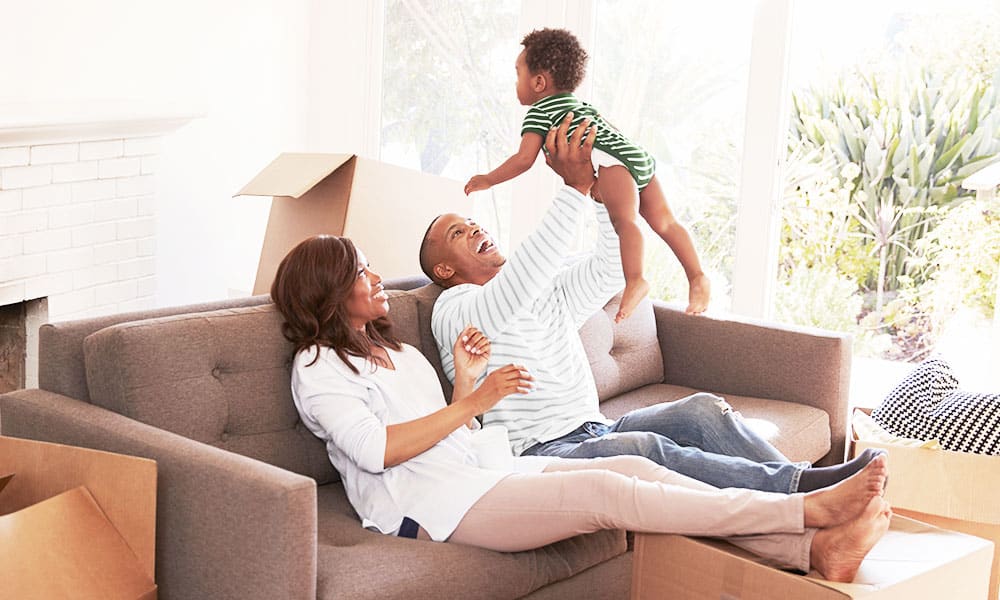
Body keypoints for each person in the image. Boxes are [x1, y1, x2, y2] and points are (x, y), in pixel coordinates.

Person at [270, 233, 891, 583]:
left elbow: (451, 432)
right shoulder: (318, 368)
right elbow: (379, 450)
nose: (375, 275)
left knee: (639, 472)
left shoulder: (399, 352)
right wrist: (476, 401)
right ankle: (800, 508)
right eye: (359, 270)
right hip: (429, 507)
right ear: (327, 292)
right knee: (606, 492)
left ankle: (811, 552)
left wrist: (466, 387)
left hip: (476, 473)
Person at [423, 108, 885, 496]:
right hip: (540, 452)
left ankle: (812, 487)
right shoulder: (455, 308)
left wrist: (605, 201)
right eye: (457, 233)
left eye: (472, 221)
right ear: (444, 269)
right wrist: (573, 189)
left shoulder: (544, 290)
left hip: (594, 427)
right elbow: (515, 289)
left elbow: (608, 270)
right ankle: (803, 494)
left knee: (703, 410)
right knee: (648, 450)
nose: (476, 228)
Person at [463, 27, 709, 321]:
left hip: (611, 161)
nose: (515, 83)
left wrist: (488, 179)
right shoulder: (581, 105)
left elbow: (524, 159)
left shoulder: (540, 112)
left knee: (625, 221)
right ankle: (697, 277)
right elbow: (611, 129)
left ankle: (636, 279)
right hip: (634, 153)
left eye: (518, 74)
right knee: (666, 222)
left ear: (539, 82)